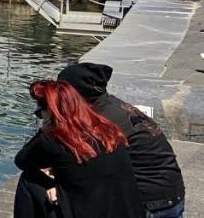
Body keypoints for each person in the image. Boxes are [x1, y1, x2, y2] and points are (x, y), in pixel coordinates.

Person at [59, 62, 186, 218]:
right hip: (171, 193)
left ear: (74, 93)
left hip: (149, 203)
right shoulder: (114, 106)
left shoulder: (102, 121)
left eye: (61, 90)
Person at [14, 79, 143, 218]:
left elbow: (21, 160)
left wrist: (46, 127)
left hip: (86, 210)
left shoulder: (52, 140)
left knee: (28, 179)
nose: (39, 117)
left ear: (52, 112)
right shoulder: (107, 129)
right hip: (127, 210)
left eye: (40, 113)